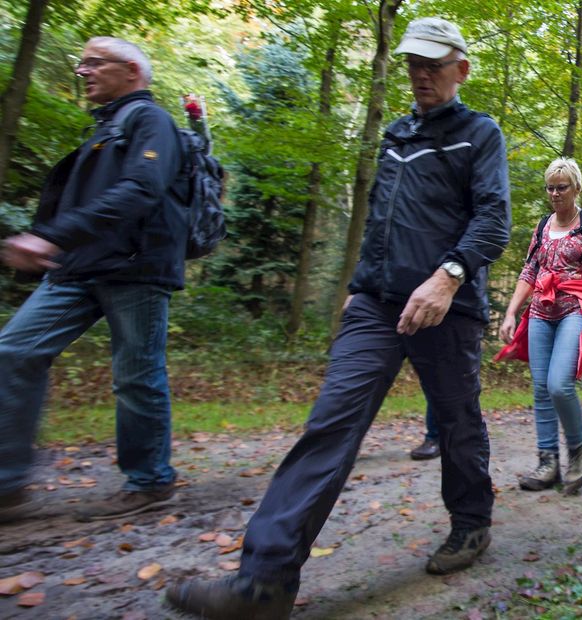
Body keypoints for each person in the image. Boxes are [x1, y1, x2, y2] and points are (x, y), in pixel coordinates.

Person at [167, 18, 511, 618]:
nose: (421, 74)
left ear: (462, 68)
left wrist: (447, 276)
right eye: (412, 63)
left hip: (446, 308)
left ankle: (471, 522)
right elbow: (380, 220)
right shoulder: (397, 135)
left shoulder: (479, 134)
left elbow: (493, 221)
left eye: (433, 63)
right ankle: (265, 581)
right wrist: (357, 287)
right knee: (330, 424)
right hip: (377, 309)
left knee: (456, 423)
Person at [0, 37, 188, 524]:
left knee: (136, 375)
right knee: (14, 351)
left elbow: (142, 189)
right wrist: (60, 245)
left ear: (130, 71)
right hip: (78, 269)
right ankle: (7, 483)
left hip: (135, 270)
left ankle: (150, 481)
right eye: (81, 63)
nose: (82, 71)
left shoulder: (151, 121)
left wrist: (50, 237)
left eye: (93, 63)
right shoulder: (105, 128)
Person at [496, 157, 582, 495]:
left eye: (561, 187)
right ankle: (547, 461)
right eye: (550, 187)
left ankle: (577, 452)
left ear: (576, 188)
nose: (554, 193)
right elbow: (529, 272)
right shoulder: (542, 226)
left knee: (559, 385)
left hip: (574, 308)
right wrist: (510, 313)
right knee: (539, 388)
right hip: (540, 311)